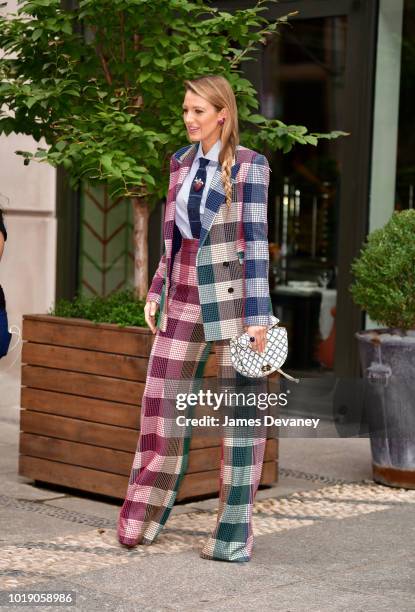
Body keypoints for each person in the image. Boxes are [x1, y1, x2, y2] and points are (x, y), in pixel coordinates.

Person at [117, 74, 273, 562]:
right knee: (160, 406)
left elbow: (257, 247)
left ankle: (231, 536)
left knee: (240, 423)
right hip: (182, 293)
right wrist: (157, 288)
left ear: (222, 114)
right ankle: (142, 515)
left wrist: (259, 317)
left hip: (234, 302)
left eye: (198, 111)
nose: (188, 118)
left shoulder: (251, 167)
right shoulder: (180, 163)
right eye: (185, 110)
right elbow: (173, 240)